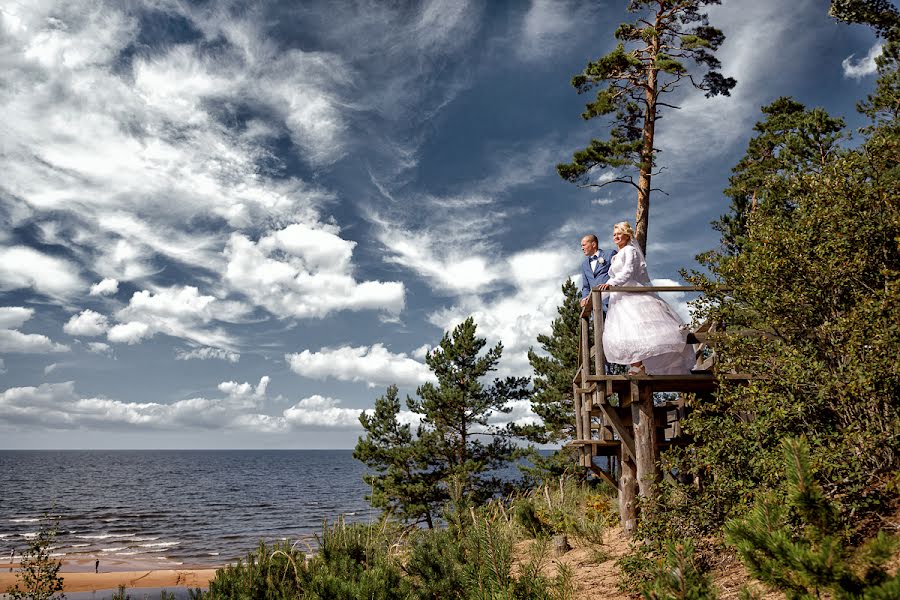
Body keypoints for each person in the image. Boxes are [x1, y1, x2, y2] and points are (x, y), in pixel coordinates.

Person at [598, 221, 694, 375]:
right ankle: (636, 365)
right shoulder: (617, 255)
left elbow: (628, 271)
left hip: (632, 294)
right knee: (626, 331)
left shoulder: (630, 251)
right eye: (614, 234)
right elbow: (616, 276)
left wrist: (612, 284)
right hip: (620, 297)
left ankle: (640, 365)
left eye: (619, 233)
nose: (616, 236)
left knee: (639, 329)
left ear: (627, 235)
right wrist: (602, 294)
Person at [580, 234, 617, 308]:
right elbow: (586, 287)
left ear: (593, 244)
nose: (582, 248)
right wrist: (584, 298)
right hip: (596, 306)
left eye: (584, 245)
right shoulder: (584, 265)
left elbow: (618, 273)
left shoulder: (609, 254)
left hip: (613, 301)